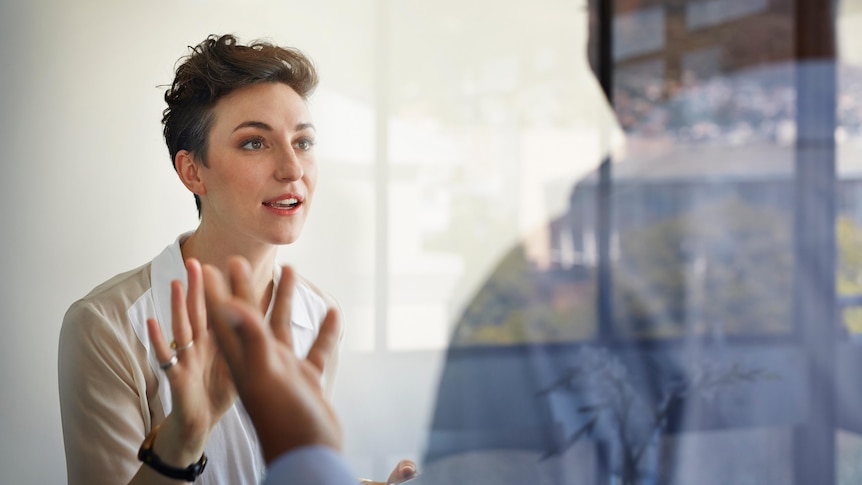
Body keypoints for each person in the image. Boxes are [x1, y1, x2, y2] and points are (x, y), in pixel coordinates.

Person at [58, 34, 413, 485]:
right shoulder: (106, 326)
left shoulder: (321, 314)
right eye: (254, 144)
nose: (292, 169)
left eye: (303, 143)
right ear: (192, 171)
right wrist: (184, 440)